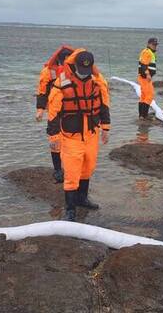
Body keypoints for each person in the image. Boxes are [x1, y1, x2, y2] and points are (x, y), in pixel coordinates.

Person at [47, 49, 110, 221]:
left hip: (91, 133)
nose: (84, 74)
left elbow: (104, 105)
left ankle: (82, 199)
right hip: (70, 136)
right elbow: (53, 112)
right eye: (81, 70)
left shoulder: (97, 81)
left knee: (88, 167)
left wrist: (106, 127)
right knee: (72, 173)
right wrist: (54, 138)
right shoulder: (62, 83)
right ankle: (70, 209)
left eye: (87, 71)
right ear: (74, 66)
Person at [36, 45, 74, 183]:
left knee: (71, 140)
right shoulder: (48, 72)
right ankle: (57, 170)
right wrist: (40, 110)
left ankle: (70, 168)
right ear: (62, 59)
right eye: (68, 60)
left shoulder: (75, 71)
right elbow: (42, 91)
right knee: (55, 139)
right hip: (54, 111)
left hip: (71, 110)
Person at [137, 37, 158, 119]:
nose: (155, 46)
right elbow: (143, 64)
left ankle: (141, 116)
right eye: (153, 44)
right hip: (145, 77)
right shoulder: (147, 52)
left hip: (144, 77)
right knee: (149, 95)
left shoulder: (150, 52)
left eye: (156, 45)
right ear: (149, 44)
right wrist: (148, 74)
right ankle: (144, 115)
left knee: (144, 96)